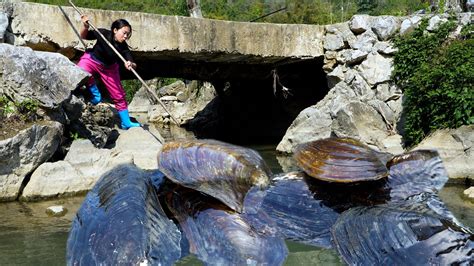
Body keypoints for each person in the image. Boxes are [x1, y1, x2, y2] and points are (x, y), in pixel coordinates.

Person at [78, 15, 140, 129]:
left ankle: (126, 122)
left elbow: (132, 62)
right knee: (81, 70)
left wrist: (131, 64)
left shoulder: (123, 47)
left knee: (119, 94)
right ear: (115, 30)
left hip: (109, 68)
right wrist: (85, 26)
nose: (126, 36)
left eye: (128, 34)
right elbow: (83, 36)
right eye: (124, 33)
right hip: (92, 60)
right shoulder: (102, 33)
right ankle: (95, 95)